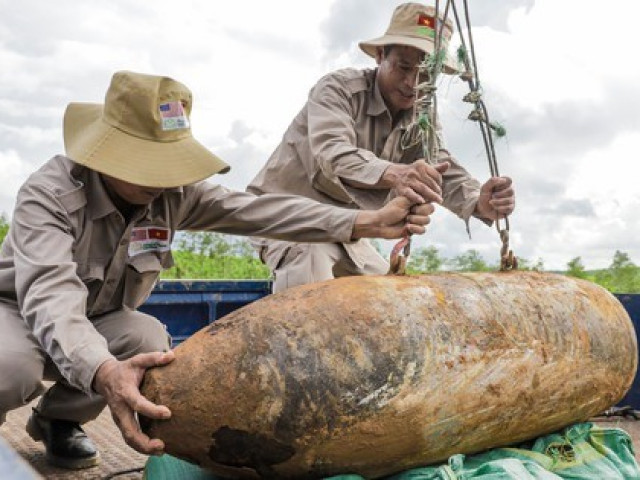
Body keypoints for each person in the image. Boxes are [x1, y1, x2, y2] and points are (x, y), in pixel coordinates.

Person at [0, 70, 435, 469]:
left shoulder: (171, 193)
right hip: (18, 311)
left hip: (100, 316)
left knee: (148, 340)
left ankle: (58, 420)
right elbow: (51, 300)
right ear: (109, 153)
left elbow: (259, 211)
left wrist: (365, 222)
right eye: (149, 164)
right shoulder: (51, 193)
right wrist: (105, 372)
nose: (164, 179)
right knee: (12, 365)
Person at [247, 2, 516, 292]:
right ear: (380, 55)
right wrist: (396, 174)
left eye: (426, 75)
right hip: (286, 215)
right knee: (310, 263)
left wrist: (480, 202)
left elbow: (441, 167)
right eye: (403, 67)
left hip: (347, 230)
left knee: (396, 296)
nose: (413, 83)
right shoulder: (337, 90)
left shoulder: (422, 117)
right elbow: (334, 155)